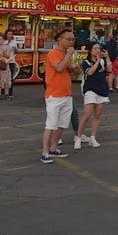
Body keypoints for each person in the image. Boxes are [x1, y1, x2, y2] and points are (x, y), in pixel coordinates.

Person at [40, 29, 81, 164]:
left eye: (72, 39)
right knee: (51, 124)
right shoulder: (54, 53)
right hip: (54, 95)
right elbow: (59, 68)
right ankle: (45, 152)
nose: (71, 42)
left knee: (62, 125)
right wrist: (69, 55)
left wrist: (76, 68)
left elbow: (71, 70)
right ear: (60, 40)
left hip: (67, 94)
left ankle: (54, 148)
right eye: (68, 39)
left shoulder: (65, 54)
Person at [75, 42, 111, 149]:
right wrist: (97, 62)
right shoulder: (86, 62)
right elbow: (90, 73)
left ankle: (93, 137)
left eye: (99, 49)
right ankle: (78, 137)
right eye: (95, 49)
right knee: (87, 115)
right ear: (90, 51)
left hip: (102, 89)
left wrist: (107, 57)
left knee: (97, 114)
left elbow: (109, 70)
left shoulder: (103, 61)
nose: (97, 51)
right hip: (90, 89)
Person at [4, 29, 18, 99]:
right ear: (6, 34)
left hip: (11, 61)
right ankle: (3, 92)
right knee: (3, 77)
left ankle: (10, 94)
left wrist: (15, 49)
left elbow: (16, 52)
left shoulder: (14, 42)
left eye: (11, 34)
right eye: (8, 34)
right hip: (4, 62)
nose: (9, 35)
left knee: (10, 78)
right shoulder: (4, 41)